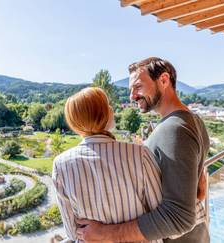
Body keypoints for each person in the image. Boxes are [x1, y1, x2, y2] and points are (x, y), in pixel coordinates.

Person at [76, 57, 210, 243]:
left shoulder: (174, 129)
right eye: (131, 89)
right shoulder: (191, 120)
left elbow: (179, 217)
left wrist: (106, 234)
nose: (132, 96)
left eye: (138, 86)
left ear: (164, 80)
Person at [52, 87, 164, 243]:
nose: (111, 109)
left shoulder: (60, 165)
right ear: (104, 114)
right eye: (107, 105)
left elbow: (72, 232)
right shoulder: (140, 154)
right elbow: (160, 215)